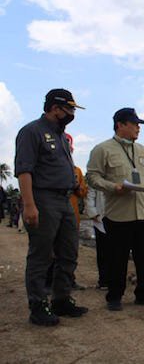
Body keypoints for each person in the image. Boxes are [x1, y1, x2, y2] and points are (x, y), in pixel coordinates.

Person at [14, 88, 88, 326]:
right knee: (41, 255)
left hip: (65, 200)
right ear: (55, 109)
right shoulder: (31, 132)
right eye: (69, 109)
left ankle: (61, 299)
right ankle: (38, 306)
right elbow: (24, 171)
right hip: (43, 200)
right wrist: (29, 206)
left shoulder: (61, 135)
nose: (72, 113)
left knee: (68, 252)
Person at [86, 107, 144, 311]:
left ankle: (143, 293)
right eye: (134, 124)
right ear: (120, 125)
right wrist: (113, 187)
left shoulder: (143, 151)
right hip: (117, 215)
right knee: (117, 259)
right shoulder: (102, 149)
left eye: (139, 124)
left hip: (141, 214)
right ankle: (114, 296)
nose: (138, 128)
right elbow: (92, 177)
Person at [45, 133, 88, 291]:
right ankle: (48, 282)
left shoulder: (77, 170)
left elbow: (83, 192)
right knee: (50, 250)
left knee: (69, 250)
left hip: (72, 215)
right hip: (52, 214)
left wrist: (77, 187)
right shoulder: (48, 168)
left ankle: (69, 280)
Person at [85, 186, 108, 290]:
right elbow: (89, 195)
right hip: (100, 218)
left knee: (117, 251)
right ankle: (103, 280)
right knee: (103, 251)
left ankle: (116, 278)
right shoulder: (95, 176)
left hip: (119, 216)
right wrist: (93, 213)